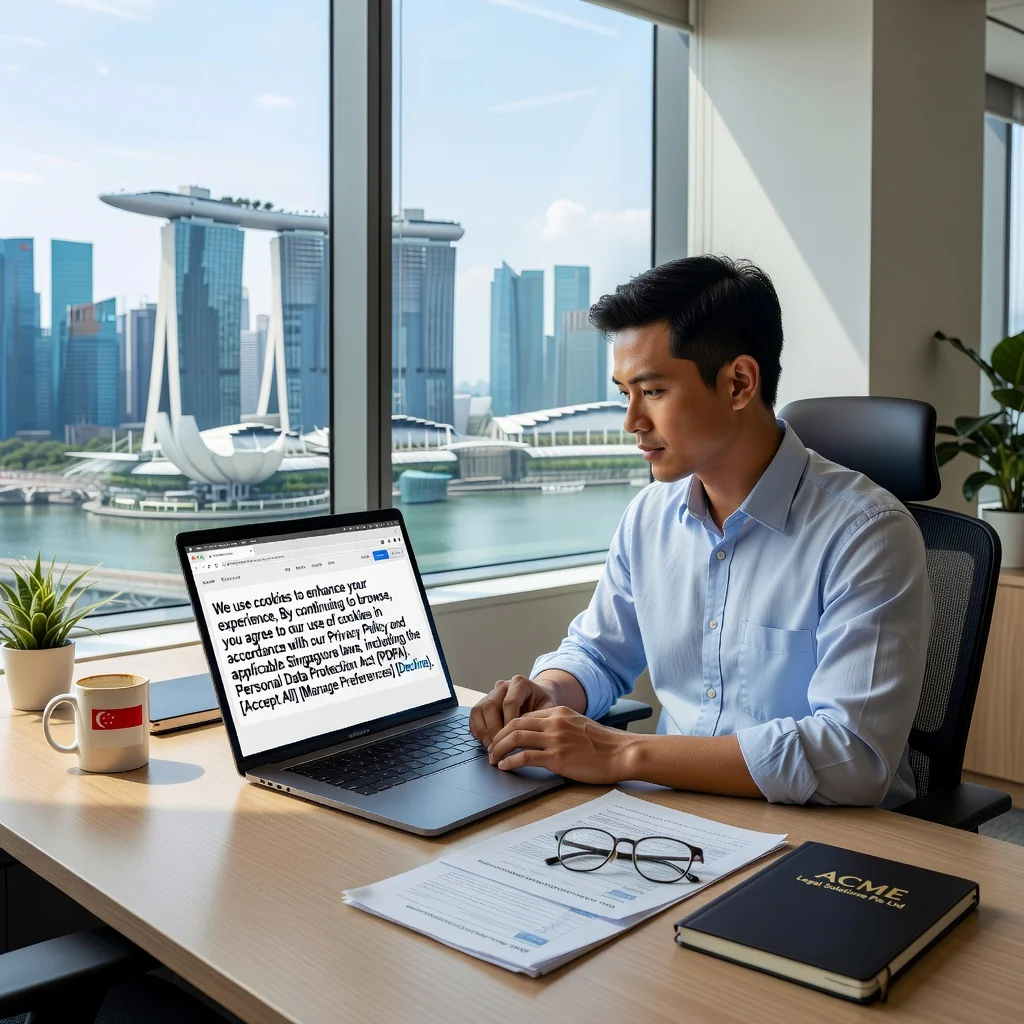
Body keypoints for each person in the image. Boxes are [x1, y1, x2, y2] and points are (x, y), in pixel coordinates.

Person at [469, 255, 932, 807]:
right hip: (677, 817)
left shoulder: (866, 534)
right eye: (625, 393)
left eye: (654, 392)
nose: (631, 422)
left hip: (833, 839)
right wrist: (547, 692)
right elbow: (598, 654)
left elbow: (851, 755)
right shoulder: (648, 517)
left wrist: (620, 753)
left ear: (739, 383)